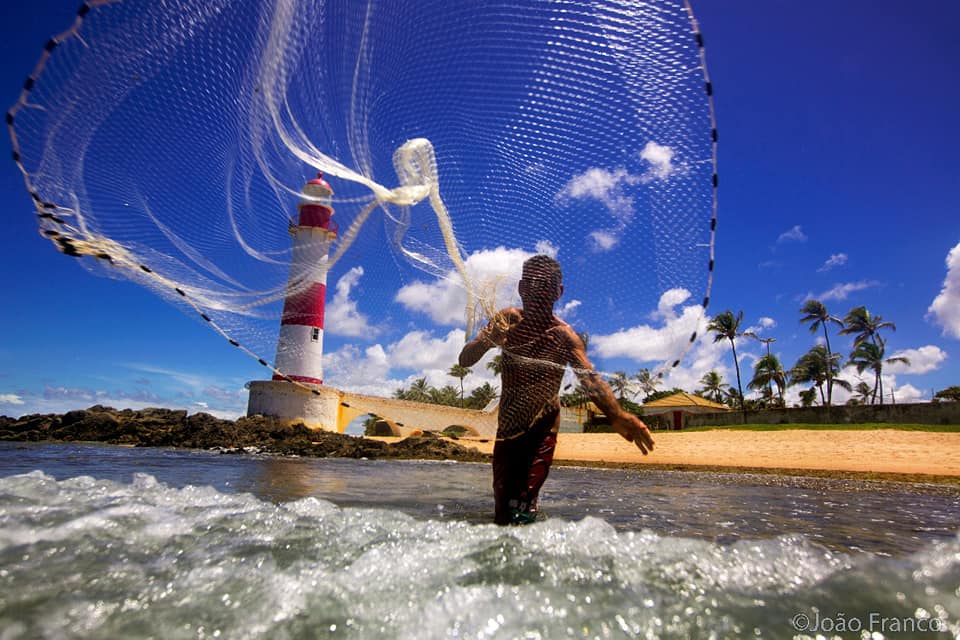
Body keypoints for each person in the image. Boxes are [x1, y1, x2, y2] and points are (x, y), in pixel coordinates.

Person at [459, 254, 654, 525]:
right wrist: (488, 341)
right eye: (532, 286)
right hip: (508, 430)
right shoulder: (508, 320)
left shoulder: (564, 336)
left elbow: (590, 379)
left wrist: (617, 415)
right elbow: (465, 359)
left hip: (542, 428)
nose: (538, 293)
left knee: (523, 501)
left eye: (546, 286)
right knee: (503, 507)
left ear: (558, 292)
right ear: (521, 288)